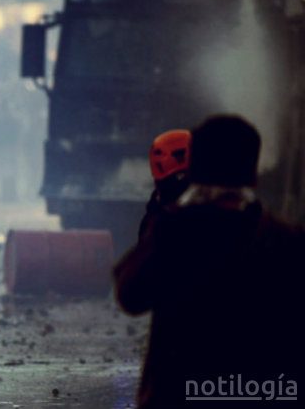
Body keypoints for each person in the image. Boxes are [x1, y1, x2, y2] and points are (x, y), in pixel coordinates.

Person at [114, 115, 303, 409]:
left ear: (195, 170)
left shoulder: (175, 233)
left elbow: (130, 294)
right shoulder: (286, 239)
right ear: (252, 173)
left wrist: (167, 218)